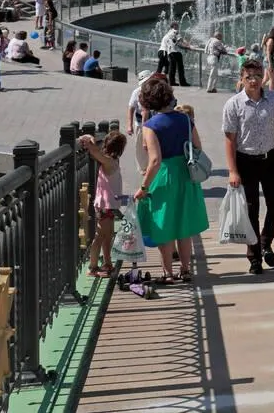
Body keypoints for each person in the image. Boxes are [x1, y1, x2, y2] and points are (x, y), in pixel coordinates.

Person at [223, 59, 274, 275]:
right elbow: (229, 139)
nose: (254, 81)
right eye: (249, 77)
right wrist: (232, 170)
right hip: (245, 161)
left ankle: (266, 242)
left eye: (257, 76)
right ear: (242, 78)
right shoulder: (234, 104)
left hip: (270, 158)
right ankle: (254, 257)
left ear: (263, 76)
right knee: (250, 210)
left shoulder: (273, 99)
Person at [133, 76, 209, 283]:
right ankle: (186, 269)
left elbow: (155, 160)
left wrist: (143, 187)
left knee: (163, 225)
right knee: (184, 225)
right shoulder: (185, 119)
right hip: (185, 174)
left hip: (164, 176)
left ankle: (167, 273)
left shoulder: (151, 125)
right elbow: (198, 148)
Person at [78, 131, 128, 278]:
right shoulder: (111, 162)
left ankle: (107, 263)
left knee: (108, 236)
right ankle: (92, 267)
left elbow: (96, 152)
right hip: (105, 205)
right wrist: (90, 142)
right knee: (100, 236)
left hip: (108, 205)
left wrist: (91, 140)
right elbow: (96, 152)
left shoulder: (111, 161)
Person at [157, 22, 191, 87]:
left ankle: (171, 82)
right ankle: (182, 82)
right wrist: (188, 46)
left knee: (170, 68)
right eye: (177, 25)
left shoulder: (167, 34)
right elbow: (181, 41)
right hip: (174, 52)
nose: (178, 26)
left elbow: (174, 42)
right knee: (180, 68)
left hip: (168, 52)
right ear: (174, 26)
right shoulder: (175, 31)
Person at [262, 25, 274, 91]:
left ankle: (257, 91)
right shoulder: (271, 40)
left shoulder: (271, 39)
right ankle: (272, 95)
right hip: (269, 61)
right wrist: (270, 64)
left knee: (266, 79)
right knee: (272, 79)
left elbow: (263, 46)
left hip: (267, 61)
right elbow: (268, 52)